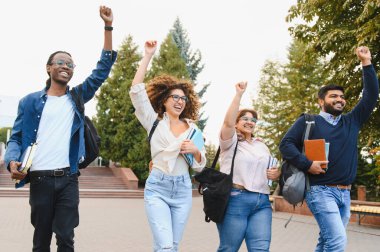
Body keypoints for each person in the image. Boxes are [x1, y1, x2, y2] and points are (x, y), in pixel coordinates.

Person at [4, 6, 117, 252]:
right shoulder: (30, 101)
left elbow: (101, 72)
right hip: (40, 178)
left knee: (66, 238)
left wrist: (108, 27)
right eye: (61, 62)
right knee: (40, 240)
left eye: (71, 63)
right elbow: (17, 138)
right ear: (49, 68)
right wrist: (12, 161)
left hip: (68, 178)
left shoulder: (76, 98)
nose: (66, 66)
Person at [279, 46, 379, 252]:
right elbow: (285, 145)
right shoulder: (309, 122)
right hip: (319, 191)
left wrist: (366, 63)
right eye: (333, 96)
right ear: (321, 101)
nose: (339, 99)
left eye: (342, 97)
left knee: (326, 242)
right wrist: (307, 164)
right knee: (337, 242)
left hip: (345, 192)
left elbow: (370, 97)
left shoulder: (352, 121)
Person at [129, 40, 206, 252]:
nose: (180, 101)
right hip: (157, 188)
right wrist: (147, 56)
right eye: (175, 97)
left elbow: (200, 167)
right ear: (164, 100)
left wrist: (196, 152)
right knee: (165, 246)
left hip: (183, 190)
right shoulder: (153, 121)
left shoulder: (193, 130)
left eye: (183, 98)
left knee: (170, 246)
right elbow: (136, 92)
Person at [216, 82, 280, 252]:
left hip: (262, 202)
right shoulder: (230, 142)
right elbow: (227, 123)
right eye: (244, 118)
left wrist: (275, 174)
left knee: (261, 249)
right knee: (229, 248)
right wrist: (238, 95)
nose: (250, 122)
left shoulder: (262, 145)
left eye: (253, 120)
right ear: (236, 123)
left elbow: (270, 170)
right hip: (236, 199)